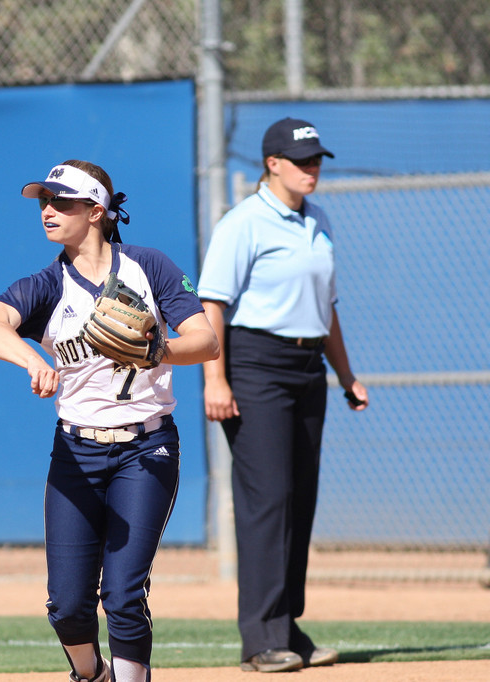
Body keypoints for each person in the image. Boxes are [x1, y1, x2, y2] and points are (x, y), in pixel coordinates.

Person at [0, 160, 219, 682]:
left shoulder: (148, 266)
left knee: (124, 594)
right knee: (66, 605)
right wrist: (31, 358)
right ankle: (92, 676)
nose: (47, 210)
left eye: (61, 201)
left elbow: (206, 340)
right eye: (44, 201)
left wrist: (158, 350)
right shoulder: (46, 286)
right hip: (76, 454)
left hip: (145, 449)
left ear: (96, 210)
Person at [197, 118, 369, 673]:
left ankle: (287, 628)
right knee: (267, 499)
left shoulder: (317, 220)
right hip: (254, 364)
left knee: (299, 499)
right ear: (273, 163)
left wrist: (346, 376)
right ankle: (261, 640)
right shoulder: (243, 223)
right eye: (303, 160)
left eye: (318, 159)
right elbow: (213, 305)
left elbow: (328, 310)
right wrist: (215, 379)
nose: (313, 168)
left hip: (305, 364)